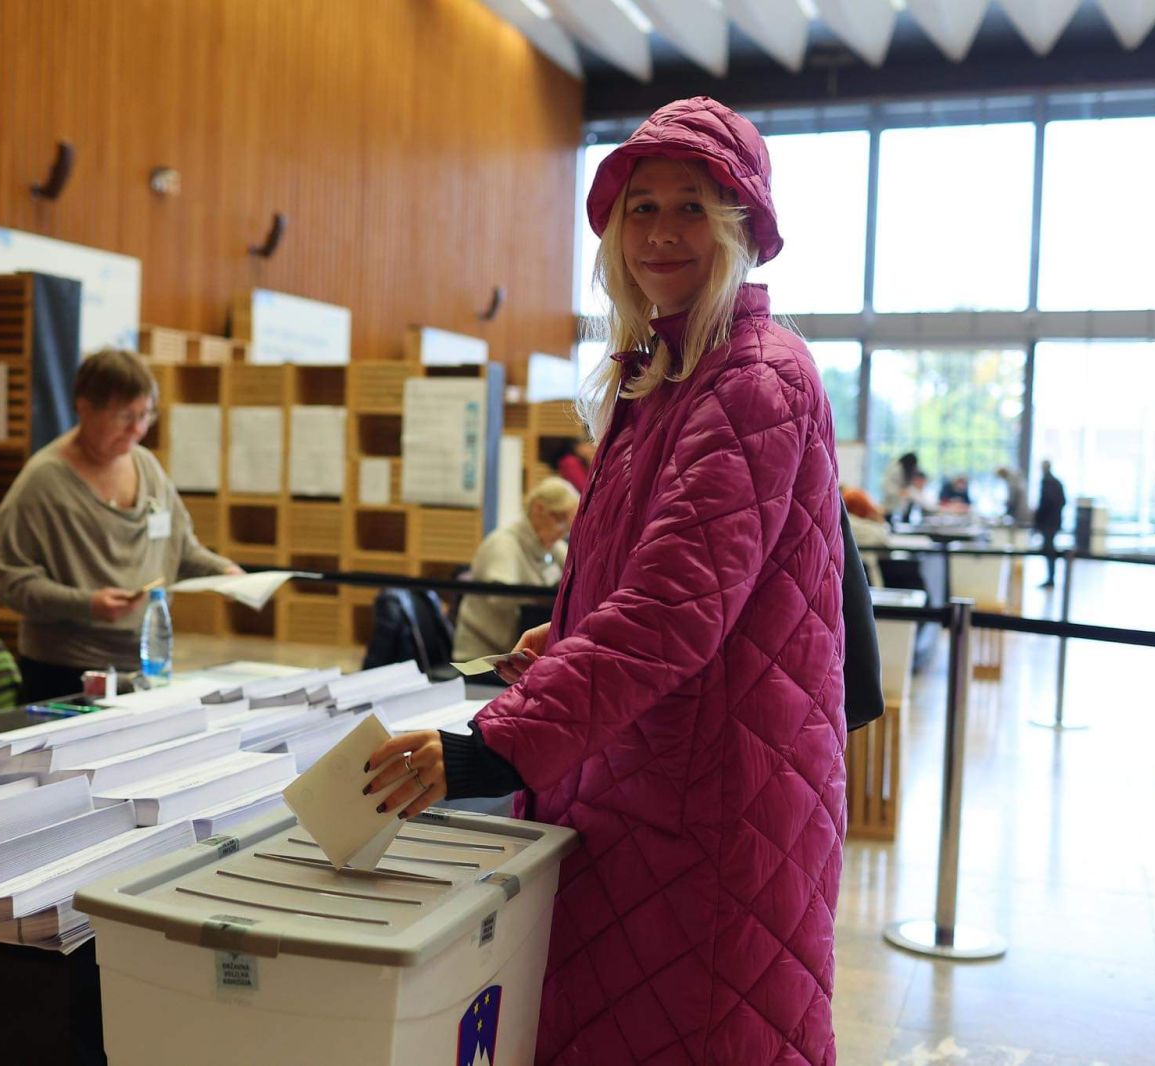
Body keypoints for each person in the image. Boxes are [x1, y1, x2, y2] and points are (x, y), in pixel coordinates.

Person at [364, 97, 846, 1063]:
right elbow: (668, 578)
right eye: (642, 208)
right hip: (641, 778)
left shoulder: (753, 378)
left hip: (711, 797)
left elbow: (672, 612)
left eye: (691, 206)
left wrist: (491, 748)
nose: (661, 232)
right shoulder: (665, 370)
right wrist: (571, 629)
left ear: (740, 225)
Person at [0, 349, 242, 701]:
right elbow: (8, 579)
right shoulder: (42, 483)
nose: (137, 429)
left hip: (145, 664)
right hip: (65, 671)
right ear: (85, 408)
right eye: (124, 416)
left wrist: (224, 572)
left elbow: (182, 550)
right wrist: (85, 604)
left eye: (145, 415)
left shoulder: (148, 468)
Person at [451, 477, 578, 661]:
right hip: (484, 657)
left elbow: (576, 577)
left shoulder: (553, 546)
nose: (564, 531)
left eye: (569, 523)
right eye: (560, 519)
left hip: (521, 654)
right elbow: (501, 597)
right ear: (538, 509)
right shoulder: (503, 543)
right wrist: (541, 597)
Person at [1034, 459, 1067, 588]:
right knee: (1049, 549)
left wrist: (1038, 520)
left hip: (1048, 522)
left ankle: (1051, 578)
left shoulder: (1046, 482)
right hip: (1055, 521)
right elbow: (1063, 501)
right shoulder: (1057, 482)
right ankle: (1051, 578)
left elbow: (1044, 503)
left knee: (1049, 550)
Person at [880, 450, 921, 519]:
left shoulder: (903, 470)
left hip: (897, 504)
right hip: (889, 502)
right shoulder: (895, 468)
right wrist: (899, 491)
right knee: (888, 516)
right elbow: (886, 485)